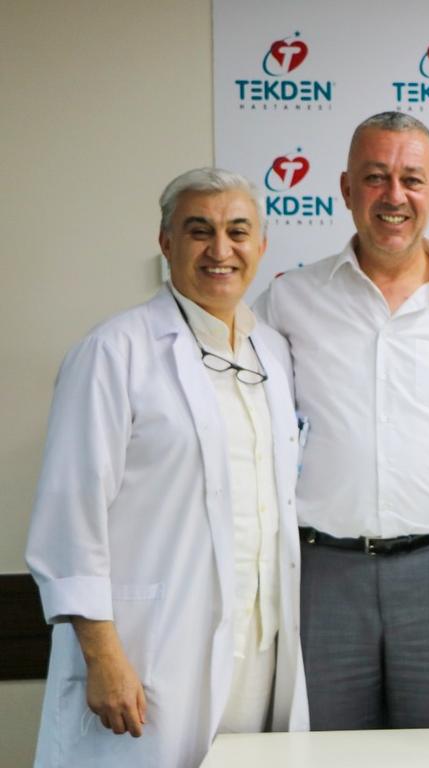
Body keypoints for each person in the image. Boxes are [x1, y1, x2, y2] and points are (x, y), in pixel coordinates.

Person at [25, 169, 309, 767]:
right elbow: (69, 517)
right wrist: (103, 656)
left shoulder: (272, 353)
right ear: (166, 242)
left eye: (238, 232)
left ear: (261, 246)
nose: (220, 250)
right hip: (150, 649)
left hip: (259, 650)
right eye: (199, 231)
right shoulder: (114, 352)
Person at [256, 111, 429, 730]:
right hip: (322, 576)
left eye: (412, 179)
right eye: (375, 177)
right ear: (346, 189)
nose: (394, 196)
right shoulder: (289, 301)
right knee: (326, 754)